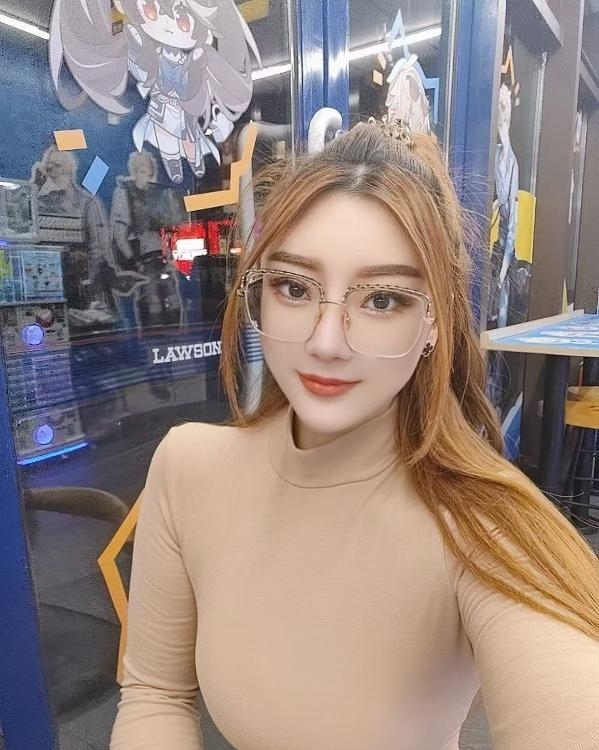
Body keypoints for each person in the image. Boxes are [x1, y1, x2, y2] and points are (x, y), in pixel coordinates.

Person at [110, 121, 599, 750]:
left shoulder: (483, 527)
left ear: (434, 321)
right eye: (294, 287)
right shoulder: (188, 468)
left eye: (383, 300)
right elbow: (155, 693)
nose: (326, 342)